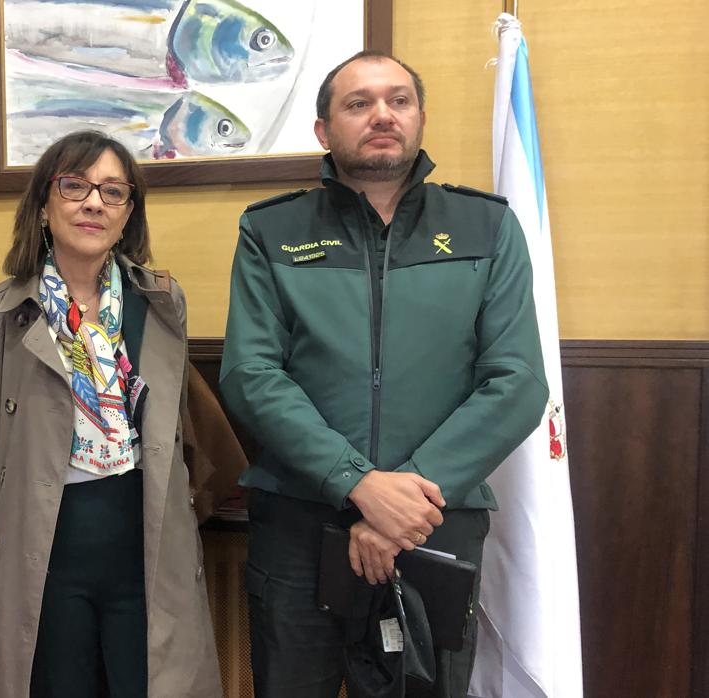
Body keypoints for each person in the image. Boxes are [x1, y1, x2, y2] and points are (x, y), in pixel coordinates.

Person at [219, 50, 548, 698]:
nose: (381, 115)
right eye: (357, 102)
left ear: (419, 117)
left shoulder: (487, 226)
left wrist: (405, 498)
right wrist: (359, 485)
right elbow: (251, 374)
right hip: (298, 526)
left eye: (397, 100)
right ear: (322, 129)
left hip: (435, 523)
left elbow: (517, 382)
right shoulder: (270, 229)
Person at [0, 130, 222, 698]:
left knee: (154, 682)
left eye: (113, 191)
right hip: (49, 542)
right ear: (42, 204)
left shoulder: (161, 302)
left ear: (129, 214)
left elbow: (170, 423)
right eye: (74, 185)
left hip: (145, 534)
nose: (93, 203)